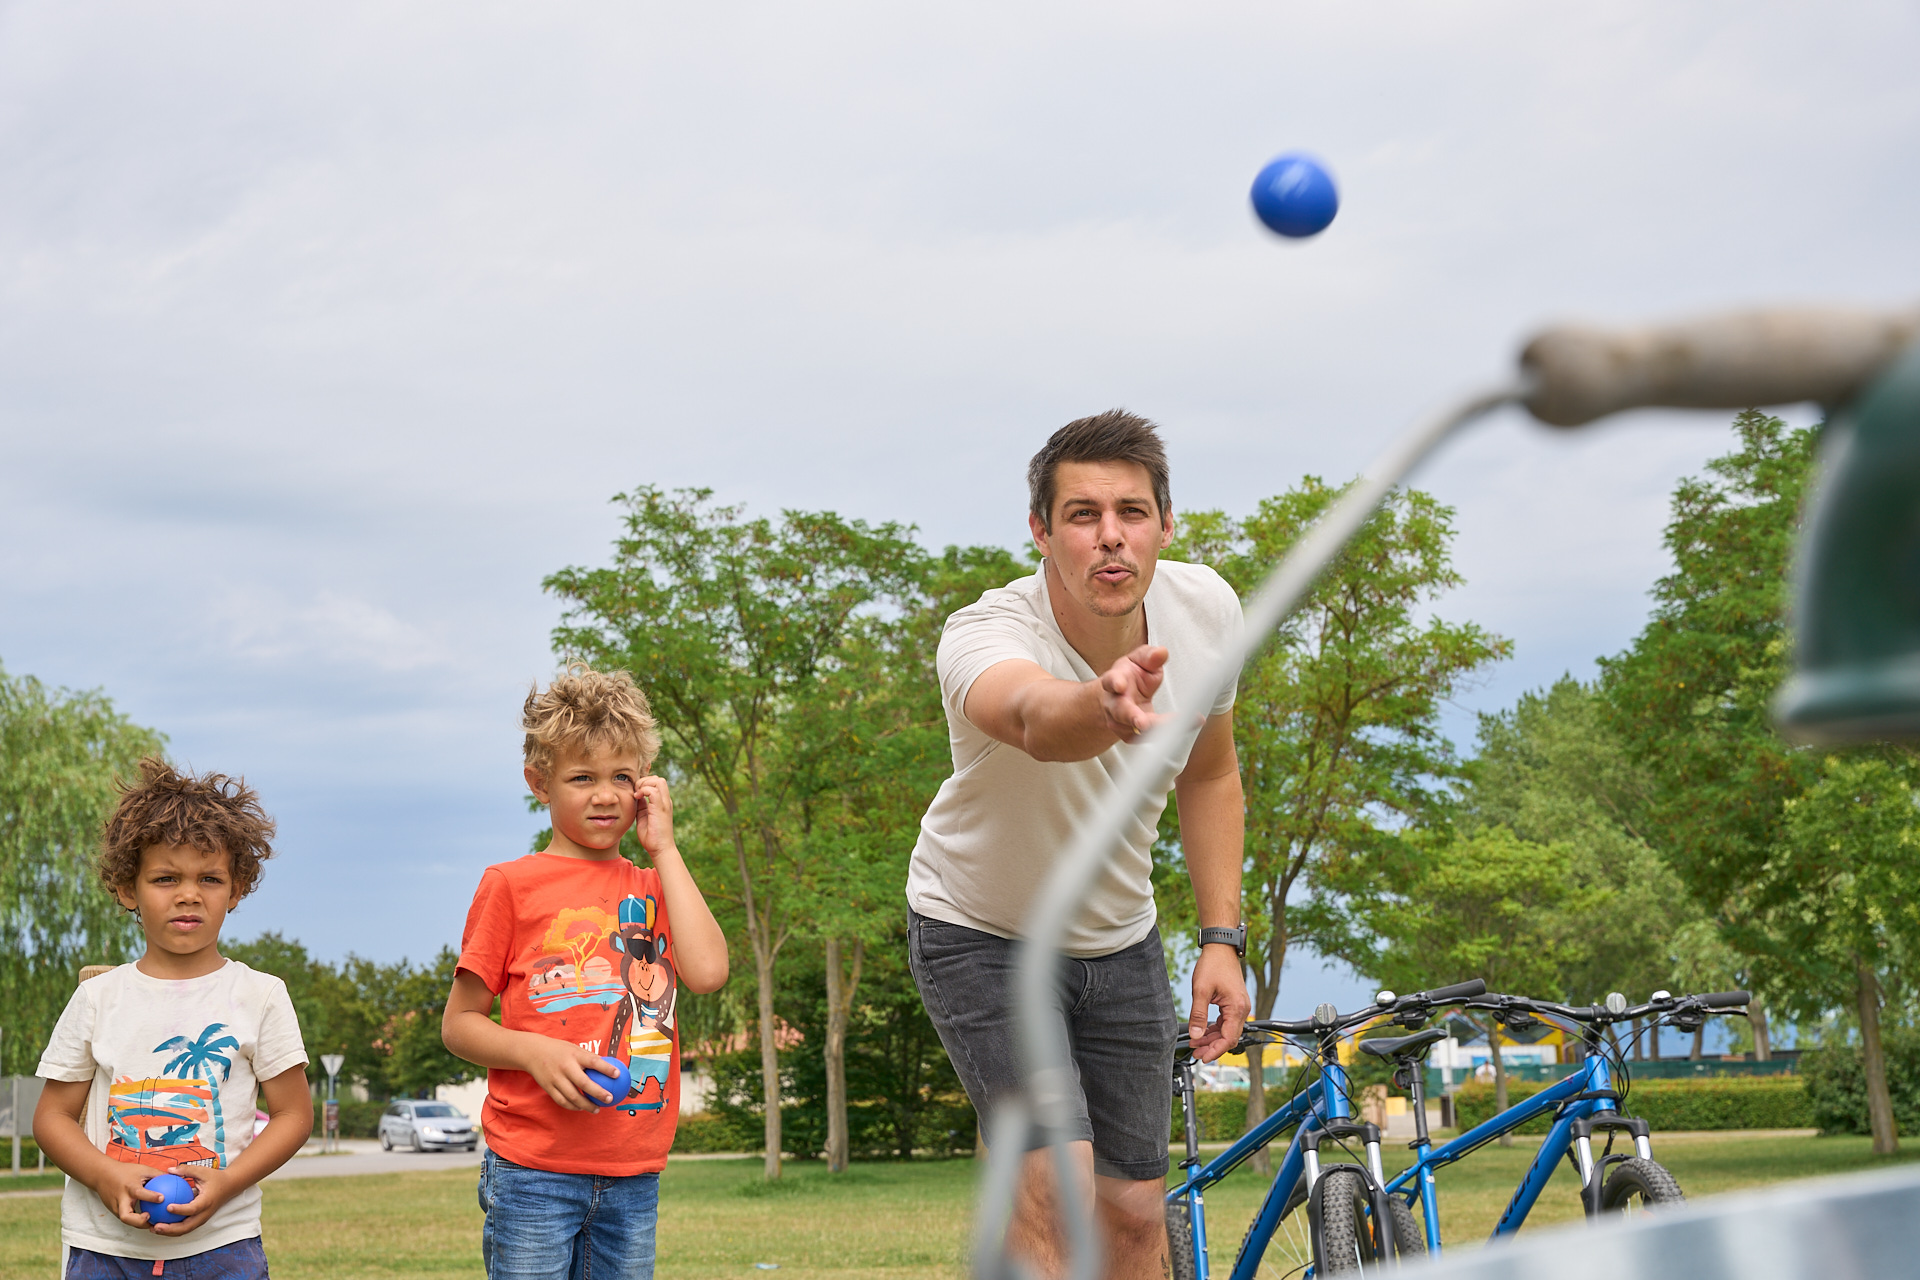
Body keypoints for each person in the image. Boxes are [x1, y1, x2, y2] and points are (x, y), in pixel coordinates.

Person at [907, 410, 1252, 1279]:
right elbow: (1032, 716)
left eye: (1132, 512)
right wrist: (1102, 705)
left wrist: (1222, 939)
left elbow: (1211, 773)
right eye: (1082, 515)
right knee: (1055, 1195)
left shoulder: (1207, 611)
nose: (1110, 537)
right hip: (982, 934)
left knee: (1133, 1219)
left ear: (1165, 525)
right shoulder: (984, 633)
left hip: (1121, 942)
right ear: (1041, 531)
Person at [442, 664, 728, 1280]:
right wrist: (536, 1053)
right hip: (532, 1172)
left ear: (645, 783)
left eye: (621, 777)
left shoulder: (656, 885)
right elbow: (459, 1024)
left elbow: (707, 972)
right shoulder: (509, 885)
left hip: (634, 1173)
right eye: (582, 777)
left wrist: (665, 848)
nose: (605, 795)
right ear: (539, 783)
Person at [34, 759, 312, 1280]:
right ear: (127, 889)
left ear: (236, 889)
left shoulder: (262, 996)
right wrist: (105, 1175)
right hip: (104, 1251)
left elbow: (294, 1116)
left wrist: (226, 1184)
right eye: (165, 878)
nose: (188, 894)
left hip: (225, 1247)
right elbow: (51, 1119)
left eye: (210, 878)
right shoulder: (97, 998)